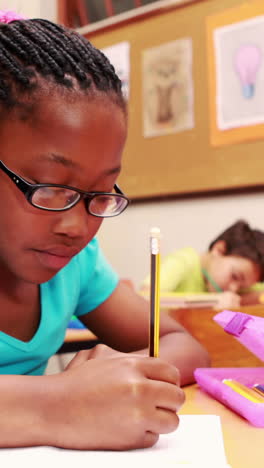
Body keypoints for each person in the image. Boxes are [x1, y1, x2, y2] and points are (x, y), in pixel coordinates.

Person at [0, 12, 210, 451]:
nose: (77, 227)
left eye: (99, 192)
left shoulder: (73, 267)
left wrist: (123, 379)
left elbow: (180, 343)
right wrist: (58, 403)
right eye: (51, 188)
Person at [141, 220, 264, 309]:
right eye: (235, 276)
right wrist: (211, 301)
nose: (234, 289)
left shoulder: (241, 280)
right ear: (219, 250)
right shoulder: (183, 262)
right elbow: (145, 298)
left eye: (242, 287)